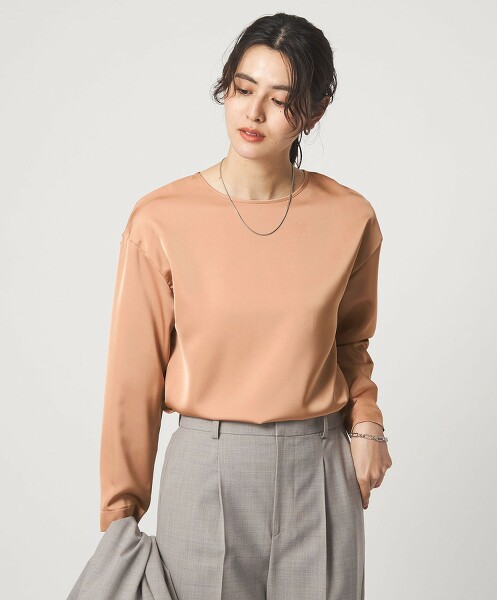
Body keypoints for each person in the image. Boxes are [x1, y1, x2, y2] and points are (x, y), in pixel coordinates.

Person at [67, 11, 392, 600]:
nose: (254, 112)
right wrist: (120, 514)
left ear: (314, 112)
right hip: (207, 470)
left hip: (320, 466)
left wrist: (367, 423)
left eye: (280, 100)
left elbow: (349, 342)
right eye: (243, 89)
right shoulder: (160, 219)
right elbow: (133, 378)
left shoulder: (350, 217)